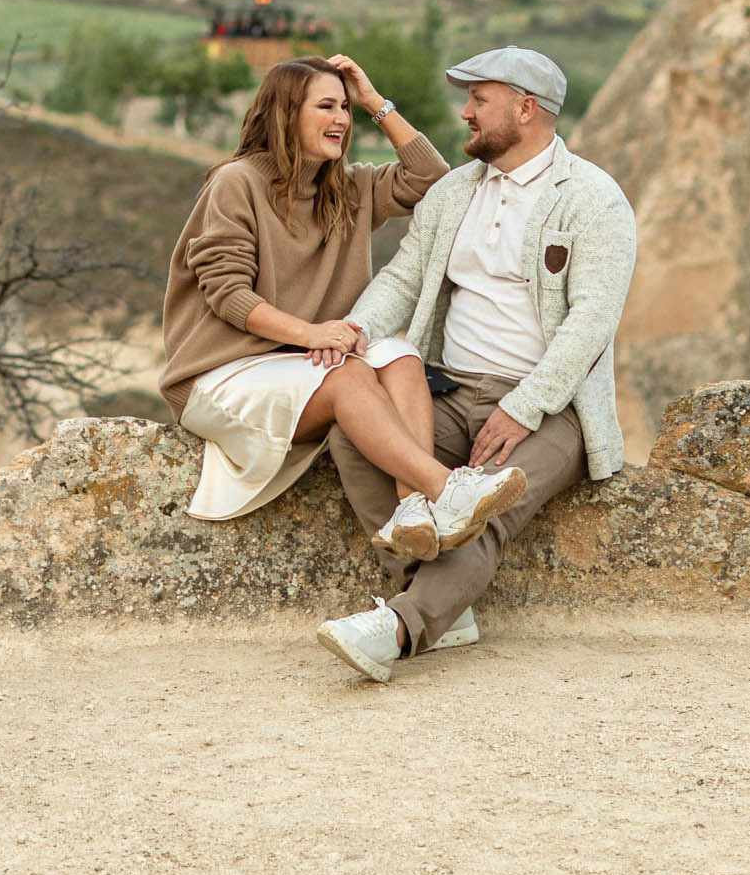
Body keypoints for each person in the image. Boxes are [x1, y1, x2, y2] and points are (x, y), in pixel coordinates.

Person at [315, 44, 637, 684]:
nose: (465, 113)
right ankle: (444, 610)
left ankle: (400, 628)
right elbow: (403, 280)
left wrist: (524, 408)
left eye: (478, 100)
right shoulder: (453, 193)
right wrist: (351, 331)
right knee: (353, 435)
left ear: (526, 109)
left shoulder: (594, 198)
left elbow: (592, 323)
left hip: (550, 407)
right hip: (451, 389)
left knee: (487, 504)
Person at [162, 53, 500, 549]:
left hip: (307, 362)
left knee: (402, 356)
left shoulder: (346, 187)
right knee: (352, 374)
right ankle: (445, 489)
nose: (341, 119)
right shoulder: (237, 183)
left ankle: (413, 513)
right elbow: (229, 296)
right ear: (286, 114)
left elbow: (431, 178)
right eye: (326, 106)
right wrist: (314, 334)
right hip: (223, 373)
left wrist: (376, 104)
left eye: (344, 107)